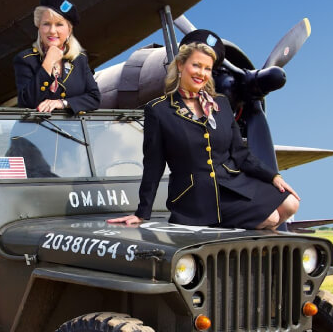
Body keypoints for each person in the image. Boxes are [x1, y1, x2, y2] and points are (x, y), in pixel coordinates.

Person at [107, 30, 300, 230]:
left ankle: (259, 251)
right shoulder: (159, 110)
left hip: (230, 183)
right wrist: (142, 213)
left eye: (207, 68)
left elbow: (240, 154)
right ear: (181, 65)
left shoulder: (221, 104)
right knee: (269, 218)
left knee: (291, 204)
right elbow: (153, 164)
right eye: (196, 65)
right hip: (195, 195)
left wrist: (272, 176)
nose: (201, 73)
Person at [13, 0, 100, 113]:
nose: (52, 31)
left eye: (59, 24)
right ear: (39, 27)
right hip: (36, 129)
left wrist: (62, 103)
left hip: (73, 130)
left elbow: (94, 98)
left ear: (69, 30)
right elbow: (27, 103)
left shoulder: (79, 59)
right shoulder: (25, 59)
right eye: (46, 24)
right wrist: (48, 63)